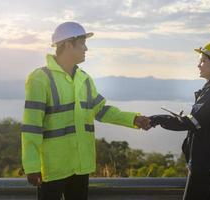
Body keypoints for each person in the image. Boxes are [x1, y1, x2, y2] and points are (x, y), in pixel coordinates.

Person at [21, 21, 151, 200]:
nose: (86, 49)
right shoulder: (40, 79)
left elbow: (101, 111)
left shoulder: (84, 79)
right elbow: (32, 126)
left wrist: (133, 119)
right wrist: (32, 166)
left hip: (81, 165)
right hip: (53, 168)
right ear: (68, 44)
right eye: (82, 43)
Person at [150, 41, 210, 200]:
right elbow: (199, 120)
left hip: (204, 164)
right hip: (207, 162)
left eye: (203, 61)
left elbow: (190, 122)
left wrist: (158, 119)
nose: (198, 65)